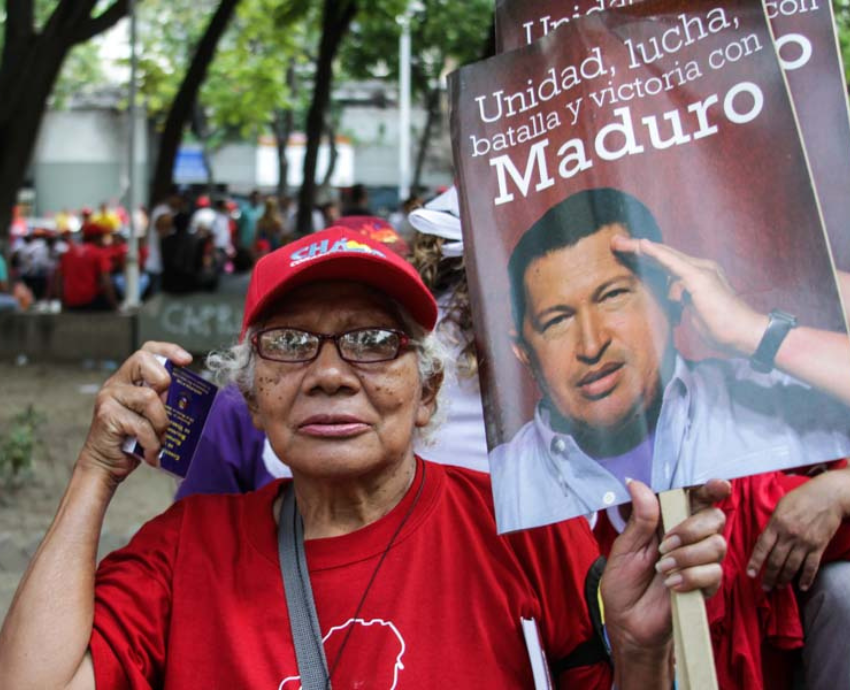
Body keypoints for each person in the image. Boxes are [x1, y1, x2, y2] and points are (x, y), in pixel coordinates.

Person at [0, 226, 729, 689]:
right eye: (289, 343)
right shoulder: (183, 552)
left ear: (427, 392)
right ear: (253, 403)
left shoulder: (521, 524)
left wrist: (638, 656)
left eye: (374, 341)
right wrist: (96, 469)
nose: (330, 372)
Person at [491, 187, 850, 532]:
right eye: (557, 320)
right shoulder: (502, 488)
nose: (591, 344)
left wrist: (751, 331)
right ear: (522, 350)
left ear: (672, 296)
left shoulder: (768, 403)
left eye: (613, 295)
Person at [55, 222, 118, 311]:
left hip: (71, 304)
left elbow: (58, 280)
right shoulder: (98, 253)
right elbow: (106, 282)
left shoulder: (68, 253)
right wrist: (115, 307)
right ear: (97, 237)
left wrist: (63, 304)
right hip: (91, 303)